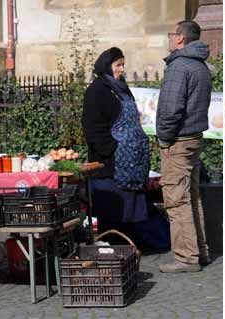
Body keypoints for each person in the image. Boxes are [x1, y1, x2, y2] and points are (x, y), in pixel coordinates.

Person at [81, 47, 170, 252]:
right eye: (118, 65)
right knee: (113, 212)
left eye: (123, 65)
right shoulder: (96, 91)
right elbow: (93, 128)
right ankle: (115, 249)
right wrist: (113, 149)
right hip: (111, 165)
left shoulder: (121, 88)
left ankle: (132, 247)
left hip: (131, 164)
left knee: (132, 211)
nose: (122, 69)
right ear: (107, 66)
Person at [156, 20, 213, 273]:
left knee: (177, 199)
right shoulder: (199, 65)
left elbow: (170, 109)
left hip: (178, 141)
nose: (169, 38)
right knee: (191, 196)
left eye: (171, 34)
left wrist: (164, 138)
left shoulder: (179, 66)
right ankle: (199, 251)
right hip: (192, 138)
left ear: (180, 38)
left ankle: (186, 257)